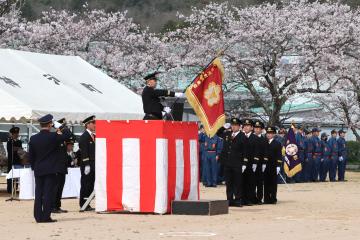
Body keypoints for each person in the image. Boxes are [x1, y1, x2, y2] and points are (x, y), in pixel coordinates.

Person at [29, 114, 71, 223]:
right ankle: (46, 217)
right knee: (48, 193)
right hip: (50, 169)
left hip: (38, 169)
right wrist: (59, 126)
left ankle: (38, 217)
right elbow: (67, 134)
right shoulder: (53, 136)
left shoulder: (33, 138)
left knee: (38, 194)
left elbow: (31, 156)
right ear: (50, 124)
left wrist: (34, 167)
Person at [223, 117, 245, 207]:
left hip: (237, 163)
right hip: (228, 163)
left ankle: (238, 200)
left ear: (239, 127)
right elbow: (217, 132)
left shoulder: (242, 136)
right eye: (232, 125)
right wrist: (223, 126)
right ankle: (229, 200)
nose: (234, 127)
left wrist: (244, 163)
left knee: (237, 182)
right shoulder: (227, 134)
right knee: (229, 183)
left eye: (236, 125)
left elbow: (245, 150)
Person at [52, 118, 70, 214]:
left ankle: (57, 206)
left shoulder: (61, 137)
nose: (64, 128)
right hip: (56, 167)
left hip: (62, 167)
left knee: (60, 188)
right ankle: (53, 206)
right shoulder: (55, 137)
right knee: (56, 187)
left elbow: (69, 135)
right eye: (63, 126)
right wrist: (61, 127)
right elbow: (68, 133)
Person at [79, 115, 96, 211]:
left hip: (93, 164)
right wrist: (86, 164)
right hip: (87, 164)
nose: (95, 125)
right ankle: (83, 203)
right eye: (93, 123)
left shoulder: (93, 135)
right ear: (87, 124)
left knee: (90, 184)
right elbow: (84, 151)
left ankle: (87, 203)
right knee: (85, 184)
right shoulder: (84, 136)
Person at [241, 119, 260, 205]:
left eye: (248, 126)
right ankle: (242, 198)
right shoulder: (240, 136)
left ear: (252, 127)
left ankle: (250, 199)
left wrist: (255, 162)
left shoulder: (255, 138)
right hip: (241, 163)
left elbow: (257, 151)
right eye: (245, 126)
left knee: (251, 182)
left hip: (251, 164)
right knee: (241, 182)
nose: (246, 127)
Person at [263, 127, 282, 204]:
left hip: (273, 165)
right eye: (268, 133)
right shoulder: (264, 142)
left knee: (273, 183)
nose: (269, 135)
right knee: (266, 183)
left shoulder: (277, 143)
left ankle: (273, 198)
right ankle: (266, 198)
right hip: (265, 165)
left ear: (274, 134)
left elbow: (279, 155)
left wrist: (278, 165)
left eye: (271, 133)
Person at [253, 120, 267, 204]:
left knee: (259, 182)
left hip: (260, 164)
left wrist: (264, 163)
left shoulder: (264, 139)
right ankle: (252, 197)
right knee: (251, 182)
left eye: (259, 128)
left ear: (261, 129)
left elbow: (266, 152)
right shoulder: (250, 138)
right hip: (252, 163)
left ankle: (259, 198)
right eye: (255, 128)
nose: (257, 130)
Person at [6, 126, 23, 194]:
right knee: (10, 176)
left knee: (16, 175)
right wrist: (16, 149)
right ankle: (9, 189)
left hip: (18, 161)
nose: (17, 135)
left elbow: (20, 150)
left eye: (17, 133)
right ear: (12, 134)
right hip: (11, 161)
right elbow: (10, 151)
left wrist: (16, 149)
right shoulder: (9, 142)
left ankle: (15, 189)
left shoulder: (19, 142)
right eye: (15, 134)